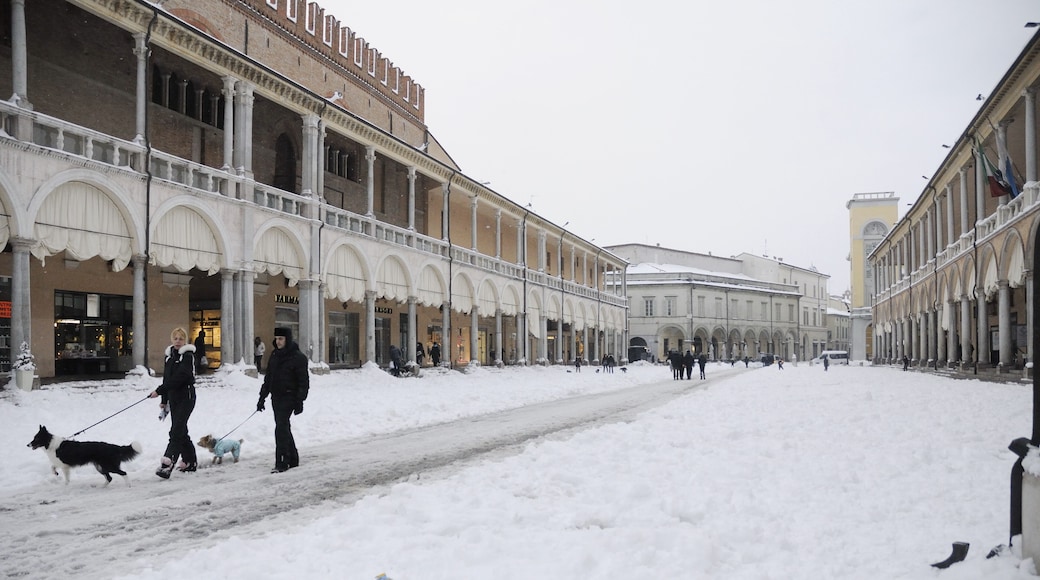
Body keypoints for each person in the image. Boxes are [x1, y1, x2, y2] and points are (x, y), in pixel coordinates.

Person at [256, 327, 310, 473]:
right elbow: (269, 378)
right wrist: (262, 398)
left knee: (280, 427)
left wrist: (300, 400)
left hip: (289, 396)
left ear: (287, 339)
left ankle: (282, 461)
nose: (278, 341)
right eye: (277, 338)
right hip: (276, 397)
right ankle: (293, 458)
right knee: (283, 427)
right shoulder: (274, 355)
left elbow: (303, 382)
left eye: (281, 339)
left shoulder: (298, 357)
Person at [148, 327, 198, 478]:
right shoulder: (169, 356)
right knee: (181, 430)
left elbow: (180, 378)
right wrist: (164, 400)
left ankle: (168, 462)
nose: (178, 341)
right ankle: (190, 461)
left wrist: (159, 390)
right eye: (175, 338)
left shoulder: (188, 356)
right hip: (173, 397)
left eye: (181, 338)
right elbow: (167, 379)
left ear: (185, 340)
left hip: (186, 397)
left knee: (176, 430)